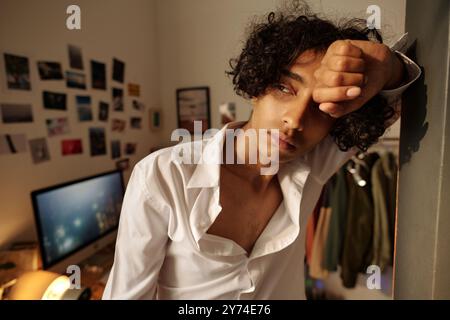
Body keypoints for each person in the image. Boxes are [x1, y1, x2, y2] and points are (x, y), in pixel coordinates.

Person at [102, 4, 420, 299]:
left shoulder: (316, 162)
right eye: (284, 89)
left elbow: (400, 96)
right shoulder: (163, 176)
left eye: (321, 108)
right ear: (257, 86)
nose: (295, 120)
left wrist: (385, 65)